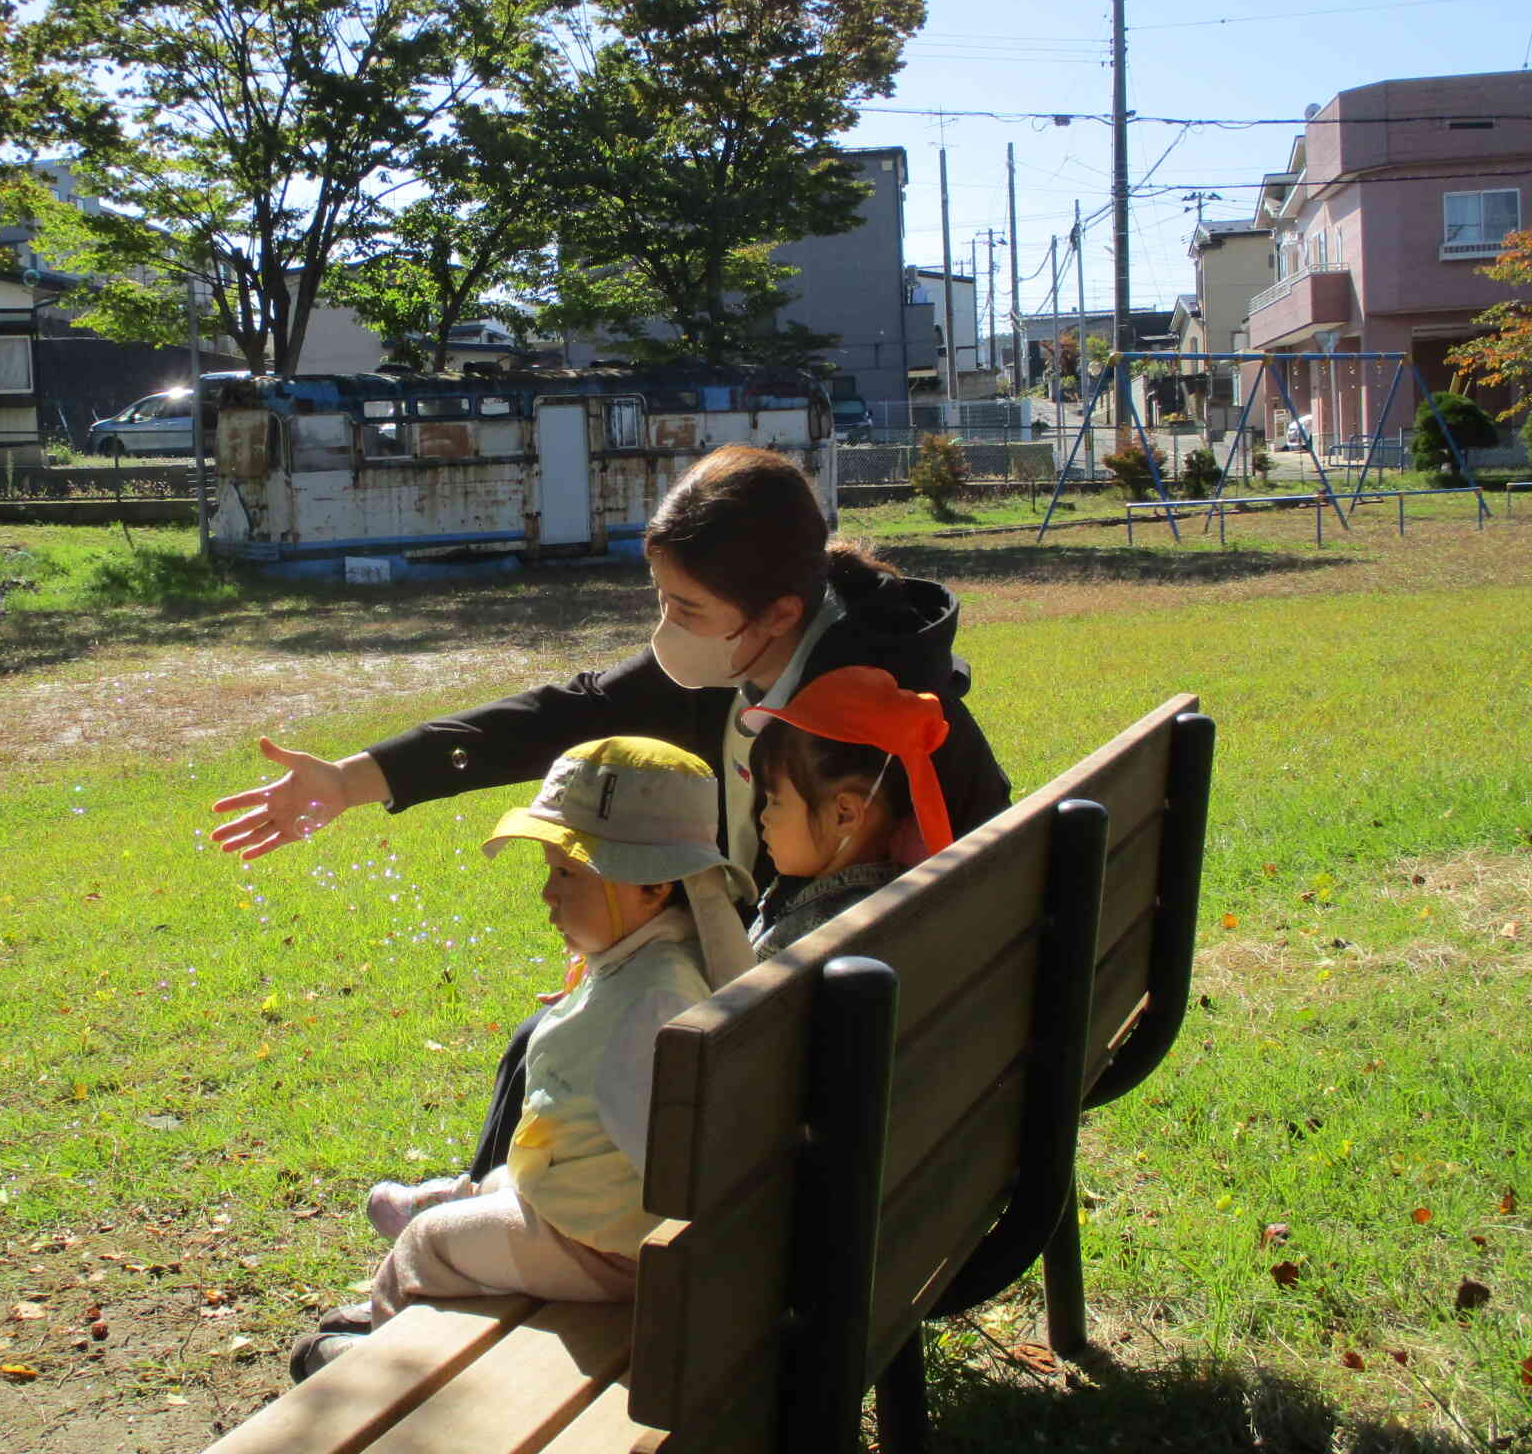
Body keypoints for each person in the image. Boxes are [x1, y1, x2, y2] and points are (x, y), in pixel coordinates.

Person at [212, 444, 1010, 1190]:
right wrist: (356, 779)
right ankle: (486, 1218)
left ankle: (495, 1240)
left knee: (566, 1038)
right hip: (896, 1017)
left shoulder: (861, 725)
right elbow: (569, 712)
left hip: (870, 1064)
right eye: (662, 598)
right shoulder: (795, 648)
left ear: (775, 614)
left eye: (688, 609)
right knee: (564, 1030)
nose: (667, 631)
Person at [289, 736, 755, 1380]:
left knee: (428, 1248)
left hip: (608, 1247)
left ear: (653, 887)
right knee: (503, 1184)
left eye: (568, 873)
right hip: (593, 1208)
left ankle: (381, 1367)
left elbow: (669, 1173)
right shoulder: (661, 952)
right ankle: (459, 1199)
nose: (547, 894)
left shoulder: (651, 1008)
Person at [743, 665, 957, 962]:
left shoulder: (810, 941)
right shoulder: (897, 897)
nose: (764, 817)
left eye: (775, 800)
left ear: (844, 815)